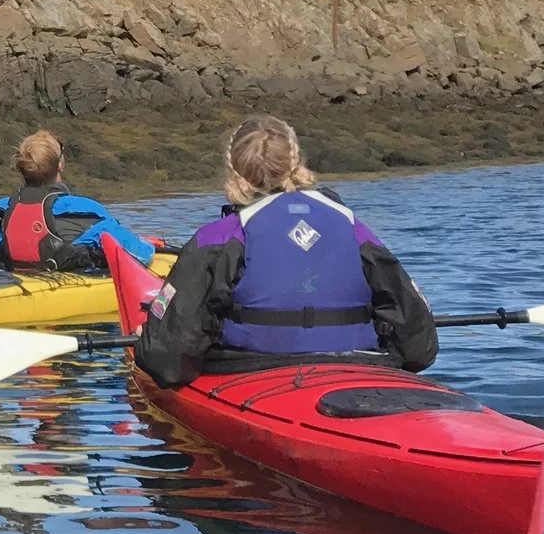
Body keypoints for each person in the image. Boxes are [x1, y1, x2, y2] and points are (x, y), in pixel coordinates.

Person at [132, 114, 437, 387]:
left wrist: (146, 340)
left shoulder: (220, 237)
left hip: (252, 370)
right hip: (356, 367)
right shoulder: (352, 226)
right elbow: (419, 349)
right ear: (295, 163)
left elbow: (166, 363)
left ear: (233, 171)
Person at [0, 129, 158, 274]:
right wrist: (149, 246)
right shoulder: (85, 211)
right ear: (60, 164)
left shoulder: (7, 211)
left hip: (20, 280)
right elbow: (141, 255)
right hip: (65, 287)